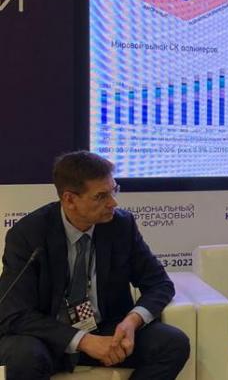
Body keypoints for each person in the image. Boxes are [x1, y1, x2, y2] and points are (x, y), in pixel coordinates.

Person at [0, 151, 190, 380]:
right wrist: (83, 341)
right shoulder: (29, 234)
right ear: (70, 199)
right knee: (22, 356)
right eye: (101, 196)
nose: (113, 202)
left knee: (173, 343)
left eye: (114, 190)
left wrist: (132, 321)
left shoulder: (121, 225)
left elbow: (159, 283)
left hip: (106, 331)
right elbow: (14, 312)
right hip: (49, 336)